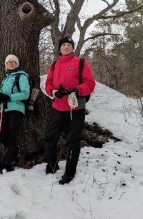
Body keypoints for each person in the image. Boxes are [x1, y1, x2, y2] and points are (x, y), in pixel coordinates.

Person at [44, 37, 96, 184]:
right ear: (59, 48)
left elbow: (90, 84)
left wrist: (77, 89)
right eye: (63, 45)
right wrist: (54, 92)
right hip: (58, 106)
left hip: (75, 107)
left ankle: (69, 172)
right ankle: (51, 165)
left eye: (69, 45)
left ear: (72, 48)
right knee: (50, 137)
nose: (66, 47)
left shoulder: (80, 62)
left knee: (73, 141)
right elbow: (48, 83)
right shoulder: (54, 64)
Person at [0, 54, 30, 173]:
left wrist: (9, 97)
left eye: (13, 62)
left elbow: (26, 93)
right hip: (5, 109)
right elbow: (1, 91)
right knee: (2, 134)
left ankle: (8, 161)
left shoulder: (22, 76)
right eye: (9, 62)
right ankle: (15, 152)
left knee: (11, 135)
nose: (11, 64)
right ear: (6, 64)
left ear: (17, 63)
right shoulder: (6, 77)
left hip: (17, 108)